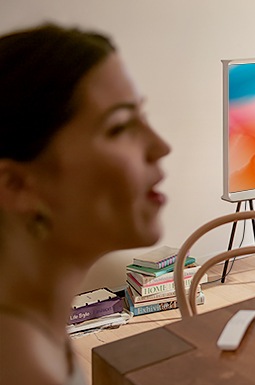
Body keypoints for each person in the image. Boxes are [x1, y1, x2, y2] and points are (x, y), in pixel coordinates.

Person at [0, 24, 170, 384]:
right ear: (16, 185)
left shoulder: (32, 323)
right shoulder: (23, 370)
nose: (160, 146)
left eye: (143, 116)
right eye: (120, 126)